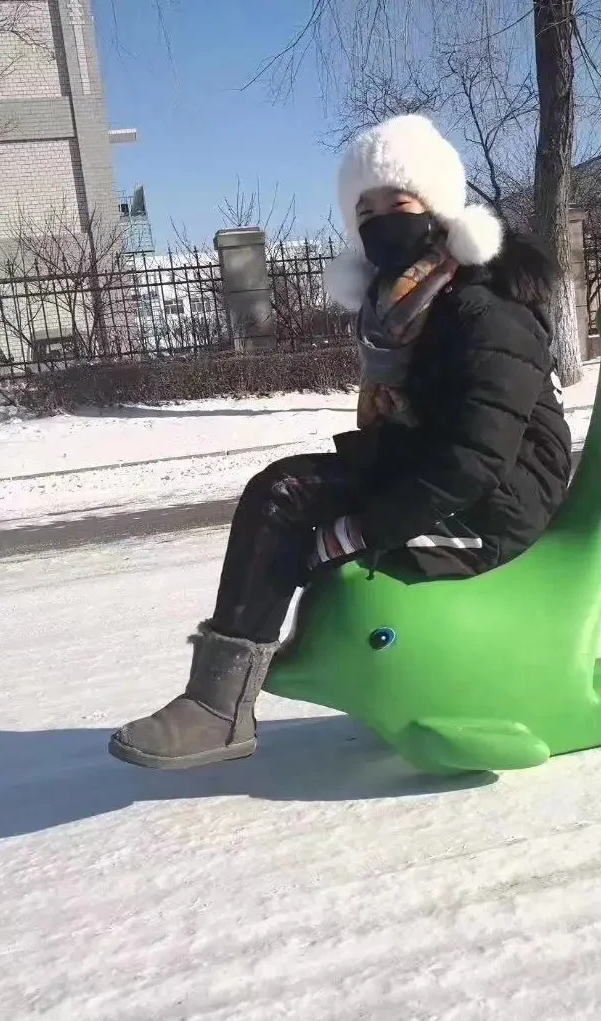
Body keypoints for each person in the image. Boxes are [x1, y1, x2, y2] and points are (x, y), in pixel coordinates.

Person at [108, 114, 573, 770]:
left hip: (494, 509)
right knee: (281, 492)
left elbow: (476, 458)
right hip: (437, 476)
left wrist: (359, 530)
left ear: (439, 208)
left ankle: (224, 704)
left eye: (398, 204)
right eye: (365, 210)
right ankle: (220, 701)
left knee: (297, 511)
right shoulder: (400, 305)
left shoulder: (485, 306)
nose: (381, 222)